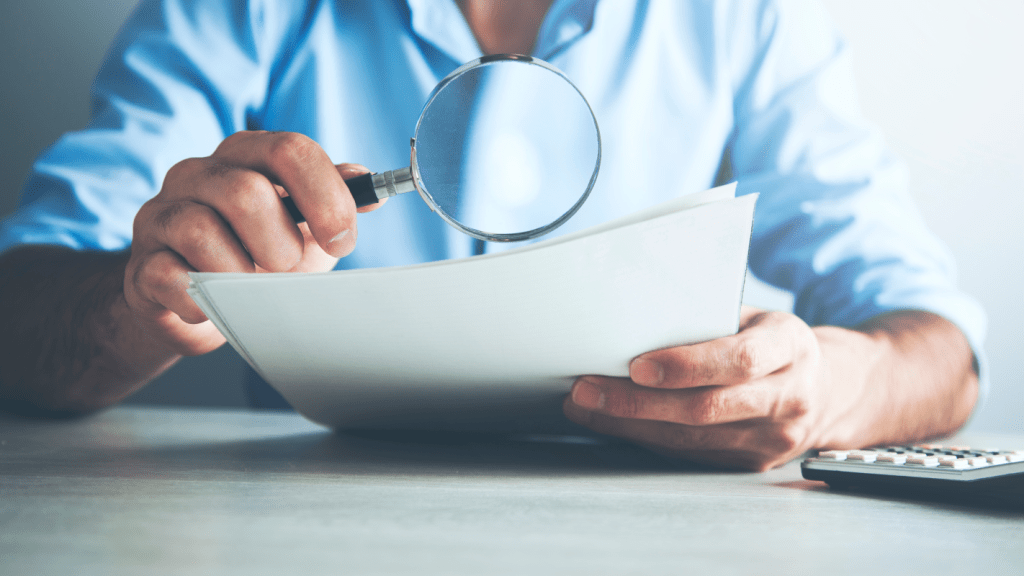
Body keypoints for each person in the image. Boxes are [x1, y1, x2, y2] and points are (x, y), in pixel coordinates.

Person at [0, 0, 984, 471]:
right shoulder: (234, 10)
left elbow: (941, 348)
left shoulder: (745, 16)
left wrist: (828, 389)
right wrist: (148, 299)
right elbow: (18, 317)